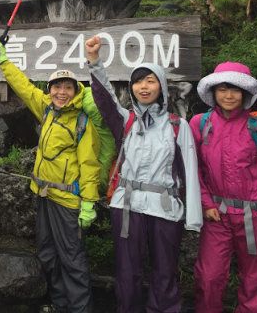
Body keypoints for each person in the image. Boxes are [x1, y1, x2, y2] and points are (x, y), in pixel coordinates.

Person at [84, 35, 202, 313]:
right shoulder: (126, 121)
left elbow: (190, 171)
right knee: (127, 272)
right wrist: (94, 61)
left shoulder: (177, 125)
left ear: (161, 85)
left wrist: (193, 218)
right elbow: (104, 99)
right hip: (128, 206)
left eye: (150, 80)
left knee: (165, 272)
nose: (144, 87)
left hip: (165, 208)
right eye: (138, 81)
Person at [0, 40, 102, 312]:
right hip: (43, 195)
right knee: (47, 254)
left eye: (67, 88)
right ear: (50, 90)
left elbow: (90, 163)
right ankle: (60, 304)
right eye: (56, 87)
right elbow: (24, 87)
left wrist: (89, 202)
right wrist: (4, 61)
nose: (61, 92)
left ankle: (79, 309)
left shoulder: (81, 121)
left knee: (71, 260)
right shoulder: (47, 109)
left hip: (68, 202)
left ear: (76, 91)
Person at [191, 62, 257, 312]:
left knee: (256, 281)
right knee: (208, 278)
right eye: (223, 89)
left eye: (236, 90)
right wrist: (206, 203)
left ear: (245, 94)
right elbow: (193, 169)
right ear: (214, 92)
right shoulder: (200, 124)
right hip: (217, 214)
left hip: (256, 214)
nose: (229, 95)